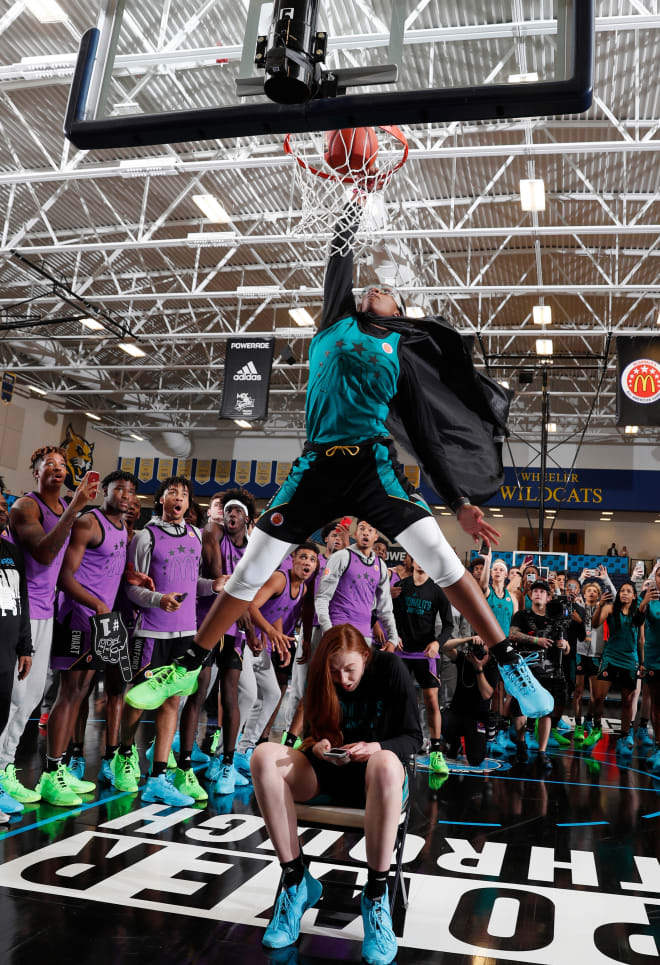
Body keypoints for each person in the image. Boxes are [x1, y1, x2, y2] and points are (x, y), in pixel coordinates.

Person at [126, 200, 553, 722]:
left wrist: (460, 502)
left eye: (392, 292)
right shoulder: (333, 324)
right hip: (316, 468)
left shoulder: (399, 353)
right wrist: (350, 200)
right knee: (253, 568)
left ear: (399, 313)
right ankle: (189, 662)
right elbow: (339, 261)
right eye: (377, 286)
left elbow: (427, 441)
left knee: (442, 559)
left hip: (373, 468)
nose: (381, 289)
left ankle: (507, 657)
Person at [250, 623, 422, 963]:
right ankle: (296, 880)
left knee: (386, 762)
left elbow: (413, 738)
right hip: (328, 774)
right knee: (263, 757)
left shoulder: (391, 668)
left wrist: (376, 746)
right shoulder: (320, 677)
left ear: (365, 656)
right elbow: (313, 735)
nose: (343, 679)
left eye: (350, 670)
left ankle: (375, 895)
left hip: (377, 779)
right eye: (334, 672)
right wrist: (317, 746)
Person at [116, 476, 222, 806]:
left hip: (186, 632)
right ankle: (123, 753)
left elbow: (194, 584)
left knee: (173, 701)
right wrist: (158, 599)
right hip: (151, 632)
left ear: (190, 504)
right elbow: (132, 587)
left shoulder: (194, 535)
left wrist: (214, 585)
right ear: (161, 499)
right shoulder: (147, 536)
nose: (178, 498)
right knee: (137, 700)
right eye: (172, 493)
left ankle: (159, 776)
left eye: (184, 494)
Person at [38, 470, 140, 806]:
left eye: (130, 491)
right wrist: (96, 603)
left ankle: (63, 767)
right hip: (79, 618)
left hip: (102, 621)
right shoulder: (88, 523)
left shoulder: (123, 528)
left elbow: (107, 567)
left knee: (80, 693)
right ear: (104, 491)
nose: (125, 496)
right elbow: (65, 578)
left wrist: (131, 575)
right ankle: (52, 774)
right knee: (68, 695)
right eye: (118, 489)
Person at [0, 447, 96, 804]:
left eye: (61, 464)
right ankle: (0, 771)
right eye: (48, 465)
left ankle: (5, 768)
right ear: (35, 473)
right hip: (19, 611)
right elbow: (43, 552)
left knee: (32, 698)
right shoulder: (26, 507)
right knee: (13, 697)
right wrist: (75, 509)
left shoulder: (63, 509)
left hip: (46, 611)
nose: (57, 469)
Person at [234, 542, 318, 773]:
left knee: (272, 693)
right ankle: (226, 753)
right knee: (249, 695)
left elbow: (277, 613)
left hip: (260, 643)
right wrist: (270, 632)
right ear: (292, 560)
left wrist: (279, 638)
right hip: (241, 638)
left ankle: (244, 749)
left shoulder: (302, 588)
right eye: (303, 557)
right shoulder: (280, 579)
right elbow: (251, 606)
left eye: (312, 559)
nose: (307, 563)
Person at [199, 489, 256, 793]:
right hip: (207, 626)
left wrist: (248, 618)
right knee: (197, 693)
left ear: (247, 519)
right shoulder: (213, 533)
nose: (231, 515)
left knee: (230, 695)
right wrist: (240, 603)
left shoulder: (252, 549)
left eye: (238, 512)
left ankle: (226, 762)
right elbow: (222, 580)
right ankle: (181, 760)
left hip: (233, 633)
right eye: (228, 511)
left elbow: (251, 589)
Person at [281, 519, 349, 747]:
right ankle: (288, 735)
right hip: (314, 630)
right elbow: (308, 602)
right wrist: (306, 638)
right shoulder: (316, 563)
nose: (337, 539)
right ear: (326, 539)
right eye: (334, 536)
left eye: (342, 536)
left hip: (337, 632)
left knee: (323, 687)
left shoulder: (348, 563)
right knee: (300, 687)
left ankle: (311, 733)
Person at [393, 560, 453, 774]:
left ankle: (436, 753)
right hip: (401, 652)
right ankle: (400, 746)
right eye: (417, 556)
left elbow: (449, 625)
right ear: (411, 559)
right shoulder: (400, 586)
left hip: (426, 653)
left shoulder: (437, 590)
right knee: (401, 700)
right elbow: (385, 612)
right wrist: (393, 634)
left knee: (431, 701)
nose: (421, 561)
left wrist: (437, 642)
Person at [509, 580, 570, 769]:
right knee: (519, 708)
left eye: (542, 592)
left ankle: (542, 752)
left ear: (548, 597)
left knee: (546, 712)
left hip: (550, 672)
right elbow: (512, 635)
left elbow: (566, 647)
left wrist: (564, 646)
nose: (538, 594)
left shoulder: (556, 618)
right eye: (534, 591)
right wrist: (536, 640)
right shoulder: (521, 615)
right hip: (525, 669)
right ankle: (521, 744)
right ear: (530, 595)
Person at [315, 519, 398, 648]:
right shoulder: (341, 557)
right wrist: (328, 630)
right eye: (362, 528)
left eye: (370, 530)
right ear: (355, 534)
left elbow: (385, 607)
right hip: (339, 630)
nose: (365, 533)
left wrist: (393, 638)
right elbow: (322, 598)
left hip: (365, 634)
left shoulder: (380, 565)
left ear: (376, 536)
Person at [0, 494, 33, 819]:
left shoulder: (11, 552)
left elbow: (20, 601)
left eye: (2, 506)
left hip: (7, 652)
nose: (1, 510)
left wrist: (25, 646)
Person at [590, 581, 645, 756]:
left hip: (629, 660)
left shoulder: (638, 612)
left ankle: (624, 736)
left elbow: (641, 639)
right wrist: (599, 606)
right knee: (598, 697)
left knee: (627, 701)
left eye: (629, 591)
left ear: (634, 596)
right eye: (622, 591)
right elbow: (594, 624)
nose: (625, 593)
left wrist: (642, 661)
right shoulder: (609, 609)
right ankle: (597, 726)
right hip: (610, 657)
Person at [441, 636, 499, 767]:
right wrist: (467, 639)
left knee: (476, 760)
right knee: (441, 719)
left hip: (477, 718)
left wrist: (478, 668)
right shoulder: (464, 659)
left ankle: (469, 743)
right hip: (457, 713)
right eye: (477, 646)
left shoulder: (492, 666)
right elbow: (443, 646)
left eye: (483, 646)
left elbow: (486, 694)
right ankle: (455, 744)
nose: (479, 650)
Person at [638, 567, 660, 770]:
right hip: (655, 660)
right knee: (657, 705)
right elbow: (636, 621)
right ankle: (659, 747)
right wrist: (644, 602)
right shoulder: (649, 599)